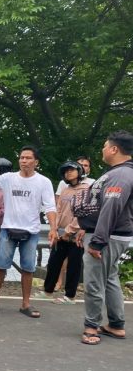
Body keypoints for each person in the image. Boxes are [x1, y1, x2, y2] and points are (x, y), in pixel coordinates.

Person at [75, 131, 133, 345]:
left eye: (105, 145)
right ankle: (116, 325)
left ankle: (91, 327)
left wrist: (98, 241)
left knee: (94, 281)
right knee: (109, 279)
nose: (102, 149)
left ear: (114, 149)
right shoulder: (119, 172)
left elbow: (111, 207)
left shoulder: (121, 175)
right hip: (108, 234)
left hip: (107, 237)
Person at [0, 146, 58, 317]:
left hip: (31, 232)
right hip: (8, 229)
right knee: (1, 266)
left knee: (28, 269)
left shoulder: (43, 182)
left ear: (36, 162)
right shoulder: (8, 178)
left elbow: (50, 206)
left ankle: (26, 304)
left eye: (28, 158)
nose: (24, 161)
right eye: (21, 157)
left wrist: (53, 228)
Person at [40, 161, 90, 304]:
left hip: (75, 235)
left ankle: (70, 296)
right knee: (54, 262)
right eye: (66, 171)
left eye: (71, 170)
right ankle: (48, 291)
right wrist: (54, 228)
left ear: (79, 172)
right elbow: (58, 209)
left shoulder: (85, 189)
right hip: (61, 233)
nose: (68, 173)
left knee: (74, 265)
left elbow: (82, 214)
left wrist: (69, 231)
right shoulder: (66, 190)